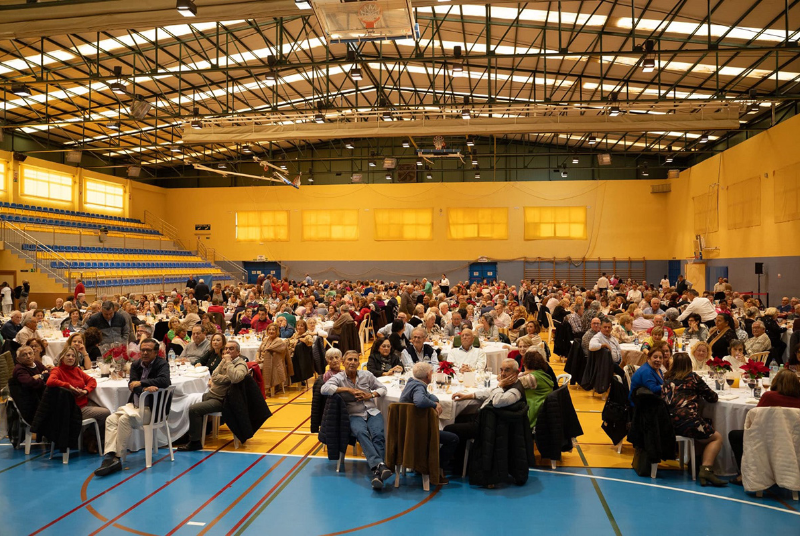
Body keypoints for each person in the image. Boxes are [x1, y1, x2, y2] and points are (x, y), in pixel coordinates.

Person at [94, 338, 171, 477]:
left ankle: (117, 458)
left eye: (148, 350)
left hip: (152, 409)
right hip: (135, 406)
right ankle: (110, 456)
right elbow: (132, 385)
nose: (145, 353)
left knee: (124, 419)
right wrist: (144, 388)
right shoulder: (136, 364)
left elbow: (165, 381)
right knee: (111, 419)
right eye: (143, 350)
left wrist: (141, 383)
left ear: (155, 352)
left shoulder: (162, 363)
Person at [321, 350, 392, 489]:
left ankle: (377, 473)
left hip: (372, 411)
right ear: (344, 362)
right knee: (361, 433)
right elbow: (324, 389)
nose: (352, 362)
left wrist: (370, 395)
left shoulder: (367, 375)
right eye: (349, 360)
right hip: (354, 414)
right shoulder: (339, 378)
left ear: (358, 363)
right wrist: (347, 390)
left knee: (378, 435)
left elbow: (383, 388)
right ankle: (380, 466)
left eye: (355, 360)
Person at [445, 358, 525, 471]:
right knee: (457, 418)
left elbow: (498, 402)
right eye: (501, 370)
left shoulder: (515, 391)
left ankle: (451, 464)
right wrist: (467, 396)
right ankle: (461, 461)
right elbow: (489, 393)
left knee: (449, 428)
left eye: (507, 370)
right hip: (486, 418)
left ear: (516, 372)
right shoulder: (509, 384)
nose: (502, 373)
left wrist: (500, 386)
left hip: (490, 426)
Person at [662, 352, 727, 487]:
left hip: (668, 422)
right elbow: (712, 398)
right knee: (716, 437)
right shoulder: (693, 378)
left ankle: (695, 464)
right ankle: (706, 470)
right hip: (687, 421)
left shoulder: (667, 379)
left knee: (703, 425)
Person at [727, 369, 800, 485]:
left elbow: (756, 420)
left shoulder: (769, 396)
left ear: (776, 382)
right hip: (794, 442)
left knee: (735, 435)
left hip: (768, 440)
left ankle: (745, 474)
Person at [178, 340, 249, 451]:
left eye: (231, 349)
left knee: (194, 409)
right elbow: (214, 375)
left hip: (223, 400)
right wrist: (225, 375)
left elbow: (235, 378)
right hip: (211, 394)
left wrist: (228, 363)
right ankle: (182, 435)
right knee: (186, 400)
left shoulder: (240, 364)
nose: (227, 351)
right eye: (226, 349)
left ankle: (195, 442)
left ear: (238, 352)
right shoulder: (225, 361)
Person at [399, 361, 459, 483]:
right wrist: (434, 404)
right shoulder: (418, 386)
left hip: (406, 429)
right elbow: (420, 401)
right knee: (453, 439)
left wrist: (434, 400)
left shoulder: (412, 383)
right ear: (428, 375)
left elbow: (429, 395)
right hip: (418, 431)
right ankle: (436, 469)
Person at [47, 346, 110, 450]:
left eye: (73, 356)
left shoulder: (76, 370)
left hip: (83, 402)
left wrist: (86, 390)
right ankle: (92, 438)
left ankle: (89, 437)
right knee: (106, 412)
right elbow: (50, 381)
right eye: (68, 355)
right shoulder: (57, 370)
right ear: (62, 357)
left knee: (105, 406)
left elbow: (92, 380)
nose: (71, 358)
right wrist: (69, 386)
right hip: (74, 409)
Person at [519, 349, 554, 429]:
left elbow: (511, 384)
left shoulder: (531, 378)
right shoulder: (542, 374)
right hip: (542, 409)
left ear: (526, 364)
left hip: (533, 411)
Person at [257, 323, 290, 395]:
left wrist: (263, 357)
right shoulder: (265, 339)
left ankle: (265, 388)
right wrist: (257, 358)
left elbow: (268, 350)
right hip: (262, 361)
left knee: (256, 368)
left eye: (273, 330)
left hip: (273, 363)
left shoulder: (279, 341)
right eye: (269, 329)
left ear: (277, 331)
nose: (271, 331)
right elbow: (259, 350)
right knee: (251, 368)